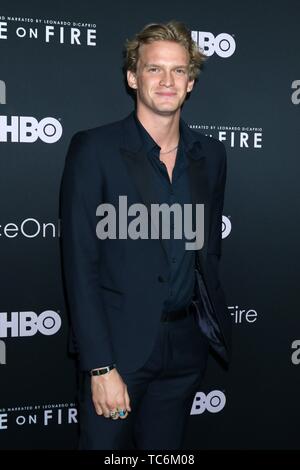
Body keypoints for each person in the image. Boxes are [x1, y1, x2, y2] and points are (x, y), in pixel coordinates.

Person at [60, 20, 232, 450]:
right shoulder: (94, 150)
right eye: (155, 69)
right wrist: (100, 367)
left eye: (178, 71)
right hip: (118, 352)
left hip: (185, 348)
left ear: (191, 82)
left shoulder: (210, 154)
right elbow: (80, 264)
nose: (167, 81)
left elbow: (207, 249)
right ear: (133, 77)